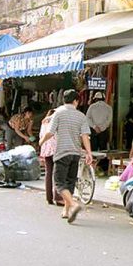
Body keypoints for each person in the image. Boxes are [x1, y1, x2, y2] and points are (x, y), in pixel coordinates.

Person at [39, 89, 92, 224]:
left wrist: (41, 141)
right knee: (70, 182)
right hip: (75, 154)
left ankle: (73, 205)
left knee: (59, 183)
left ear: (64, 100)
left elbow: (50, 132)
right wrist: (89, 153)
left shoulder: (58, 113)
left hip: (62, 153)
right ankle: (66, 211)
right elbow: (85, 136)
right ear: (76, 101)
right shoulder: (81, 116)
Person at [39, 109, 63, 206]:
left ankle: (49, 197)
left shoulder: (44, 123)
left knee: (48, 173)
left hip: (46, 149)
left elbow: (41, 135)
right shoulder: (55, 123)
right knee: (58, 173)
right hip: (56, 149)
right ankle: (58, 197)